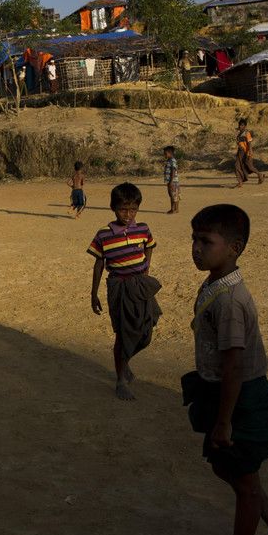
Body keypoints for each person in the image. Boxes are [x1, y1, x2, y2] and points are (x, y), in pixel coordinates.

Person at [184, 204, 268, 535]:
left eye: (206, 241)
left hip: (239, 397)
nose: (196, 248)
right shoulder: (219, 283)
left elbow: (233, 366)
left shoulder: (230, 302)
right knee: (230, 468)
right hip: (228, 393)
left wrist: (225, 419)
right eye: (194, 239)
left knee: (243, 481)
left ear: (235, 247)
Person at [88, 182, 161, 400]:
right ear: (113, 207)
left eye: (133, 209)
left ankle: (125, 360)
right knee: (123, 333)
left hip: (140, 284)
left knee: (146, 331)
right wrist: (93, 294)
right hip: (118, 286)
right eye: (123, 209)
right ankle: (121, 379)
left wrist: (146, 270)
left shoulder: (143, 229)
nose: (128, 214)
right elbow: (99, 264)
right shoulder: (104, 234)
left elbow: (149, 246)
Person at [234, 119, 263, 187]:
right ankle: (240, 181)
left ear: (245, 126)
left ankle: (259, 174)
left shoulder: (247, 133)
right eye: (240, 125)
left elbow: (249, 144)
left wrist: (250, 153)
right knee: (237, 166)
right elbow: (239, 144)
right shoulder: (239, 135)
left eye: (242, 125)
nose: (241, 126)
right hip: (240, 152)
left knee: (249, 167)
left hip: (246, 152)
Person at [163, 146, 180, 214]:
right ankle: (176, 209)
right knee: (175, 195)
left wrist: (171, 181)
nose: (164, 155)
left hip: (172, 181)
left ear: (170, 153)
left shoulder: (172, 161)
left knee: (172, 195)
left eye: (165, 153)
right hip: (173, 181)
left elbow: (173, 170)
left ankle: (173, 209)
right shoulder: (170, 160)